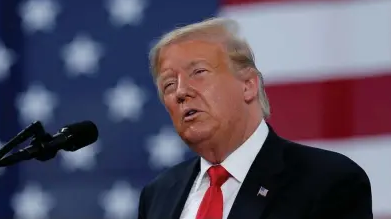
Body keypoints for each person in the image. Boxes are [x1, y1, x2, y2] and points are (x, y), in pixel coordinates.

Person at [138, 18, 373, 219]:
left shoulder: (329, 180)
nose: (180, 92)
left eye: (198, 72)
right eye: (169, 85)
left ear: (248, 85)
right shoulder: (158, 195)